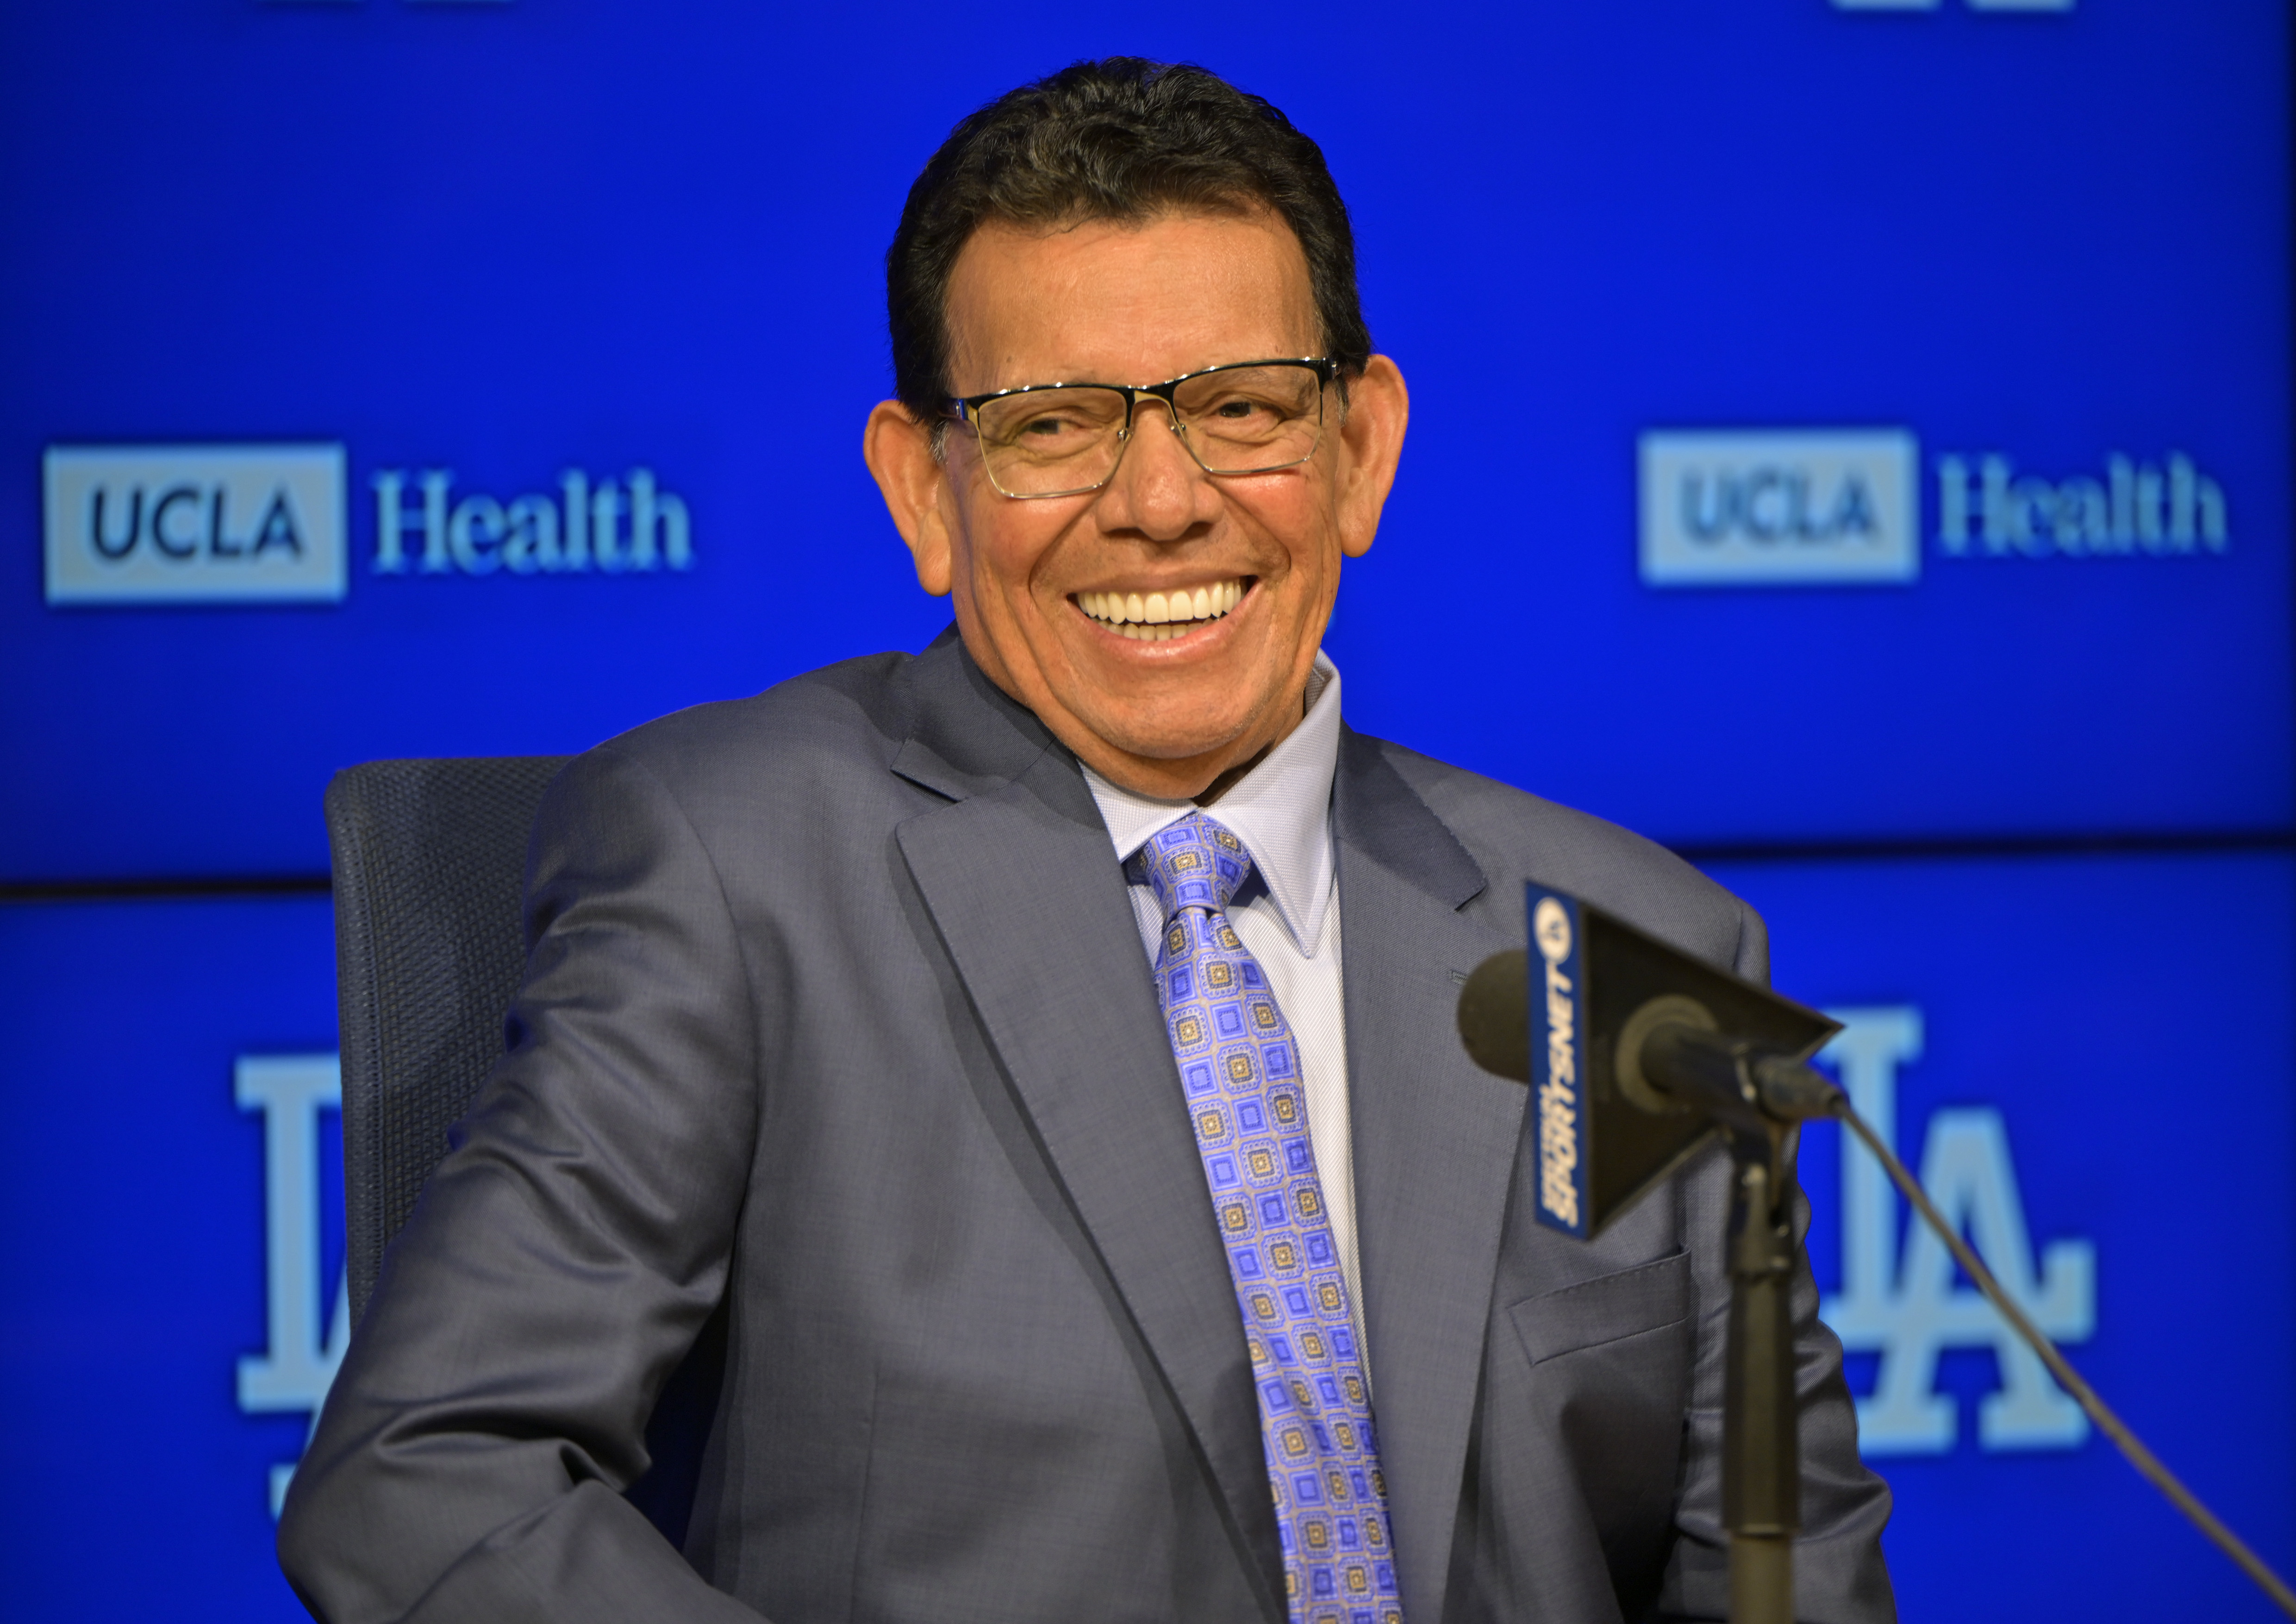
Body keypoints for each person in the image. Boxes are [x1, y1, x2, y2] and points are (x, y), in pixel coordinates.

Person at [279, 57, 1894, 1624]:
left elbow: (1776, 1567)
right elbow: (427, 1473)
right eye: (1056, 425)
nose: (1164, 499)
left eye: (1241, 406)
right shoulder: (737, 861)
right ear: (926, 488)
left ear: (1360, 450)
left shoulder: (1634, 944)